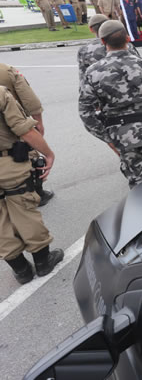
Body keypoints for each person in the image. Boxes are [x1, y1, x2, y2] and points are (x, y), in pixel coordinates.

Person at [79, 21, 142, 188]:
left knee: (138, 185)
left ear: (103, 42)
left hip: (121, 136)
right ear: (127, 38)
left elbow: (86, 113)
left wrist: (106, 138)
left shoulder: (93, 72)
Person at [0, 85, 63, 284]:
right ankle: (43, 262)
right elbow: (24, 130)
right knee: (24, 209)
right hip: (8, 164)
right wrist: (49, 153)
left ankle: (21, 270)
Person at [0, 63, 55, 206]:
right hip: (13, 123)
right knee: (27, 155)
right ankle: (36, 192)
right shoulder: (7, 71)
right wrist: (38, 122)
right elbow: (29, 99)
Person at [77, 14, 141, 90]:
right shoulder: (127, 44)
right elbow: (139, 66)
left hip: (102, 90)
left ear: (91, 29)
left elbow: (83, 77)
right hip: (130, 88)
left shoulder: (84, 50)